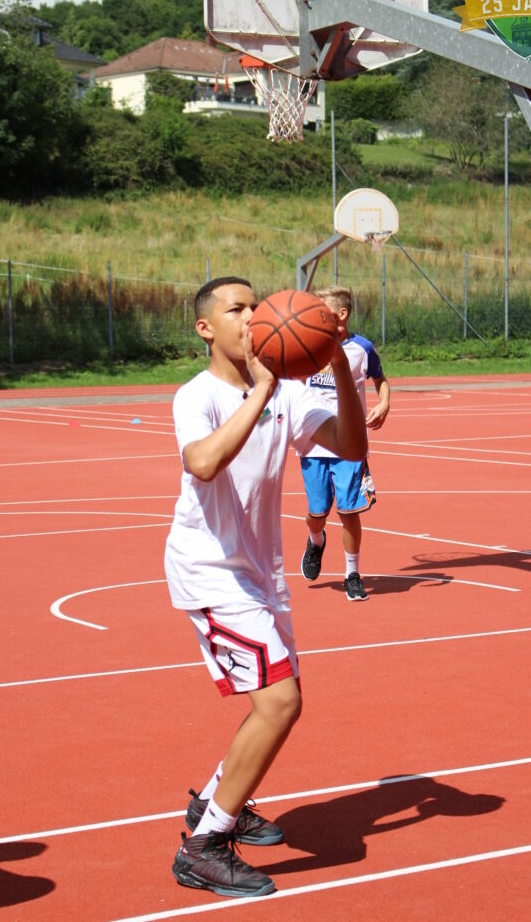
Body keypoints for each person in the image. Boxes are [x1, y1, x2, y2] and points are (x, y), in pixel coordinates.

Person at [164, 276, 367, 898]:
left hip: (260, 573)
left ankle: (216, 802)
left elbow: (352, 444)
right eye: (236, 309)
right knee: (280, 703)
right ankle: (203, 848)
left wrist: (337, 362)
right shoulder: (197, 395)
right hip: (211, 570)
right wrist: (261, 391)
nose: (251, 316)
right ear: (206, 328)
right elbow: (203, 462)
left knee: (277, 702)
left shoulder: (288, 392)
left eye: (256, 306)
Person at [300, 285, 390, 601]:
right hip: (313, 440)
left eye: (322, 310)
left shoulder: (362, 348)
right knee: (317, 512)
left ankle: (352, 574)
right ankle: (316, 540)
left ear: (342, 313)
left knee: (349, 511)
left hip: (350, 443)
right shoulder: (308, 344)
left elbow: (380, 380)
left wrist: (384, 402)